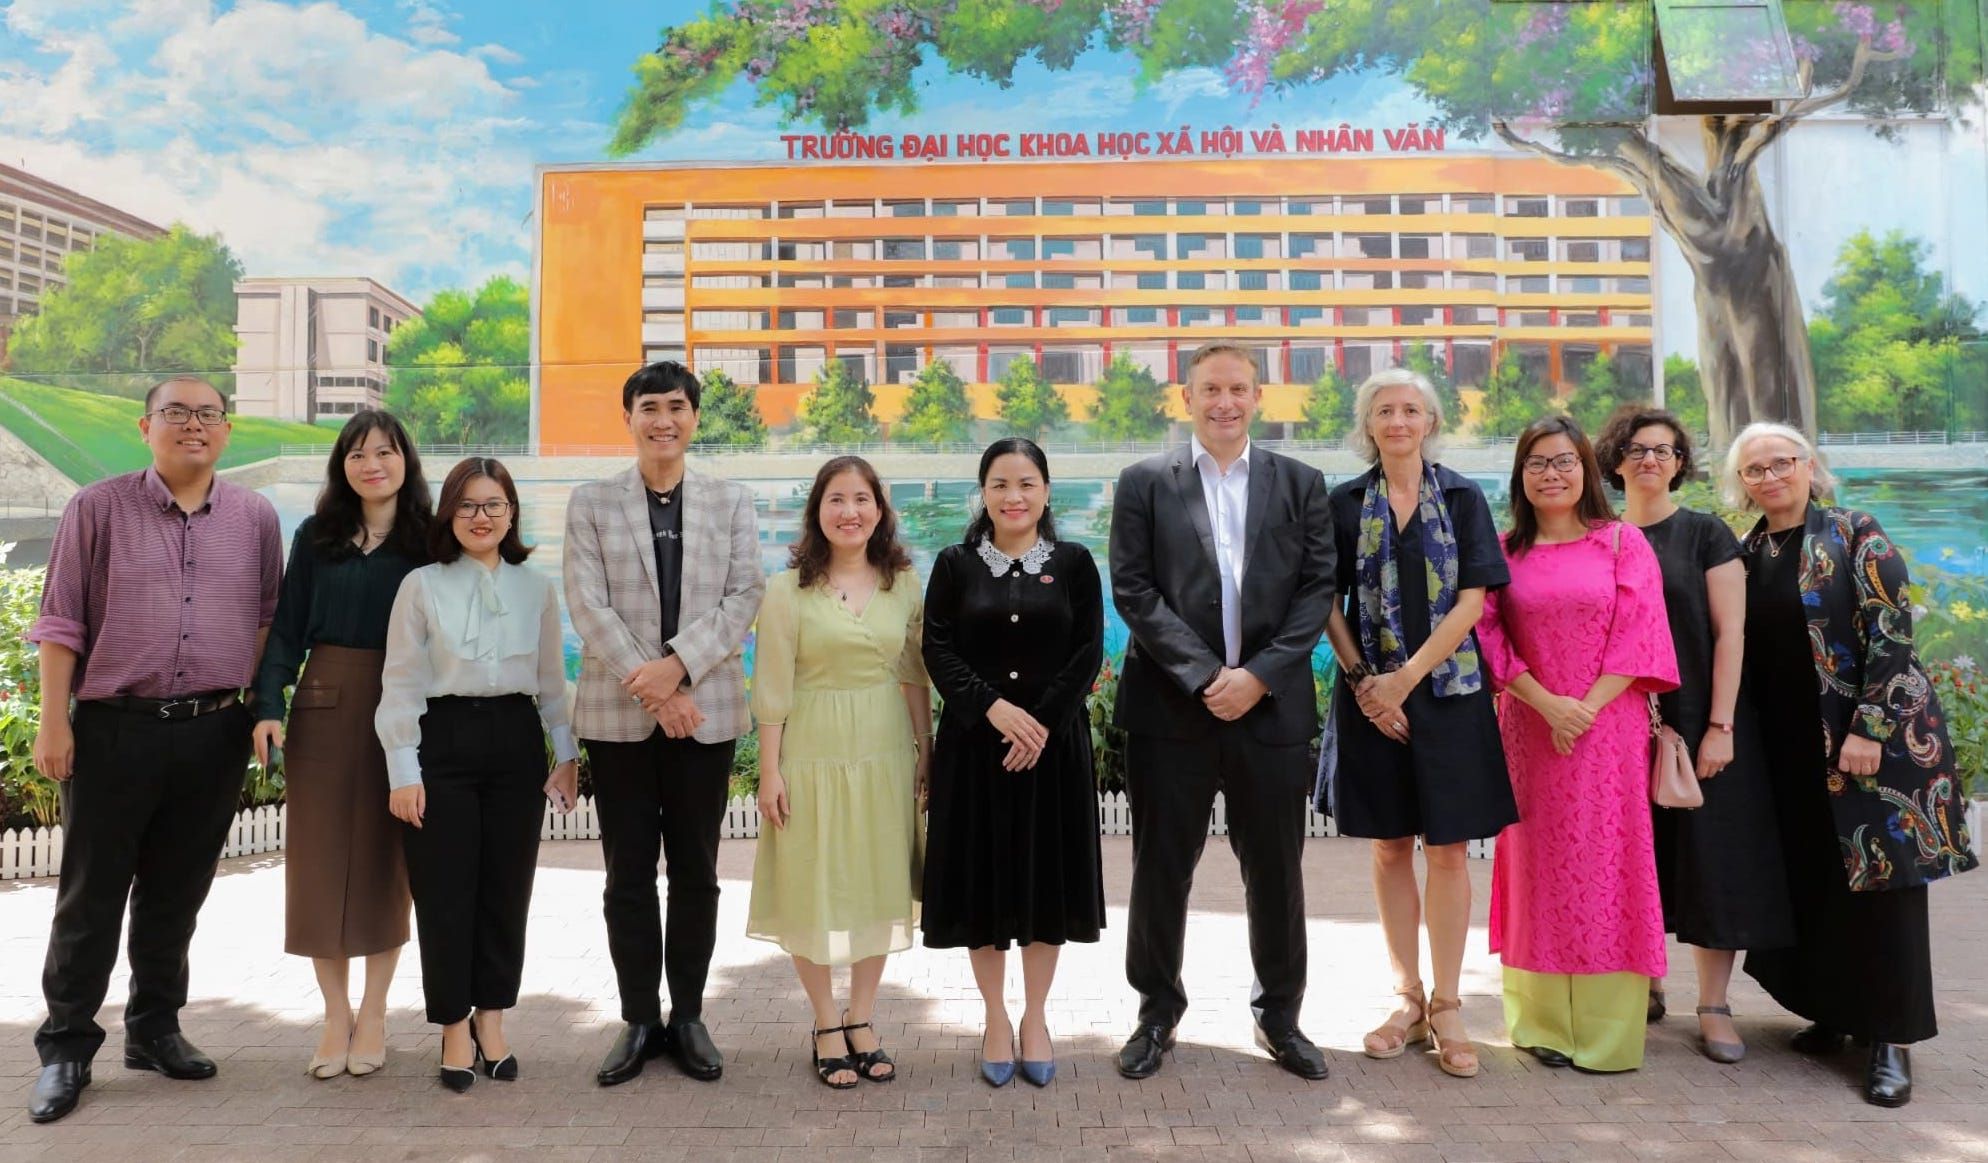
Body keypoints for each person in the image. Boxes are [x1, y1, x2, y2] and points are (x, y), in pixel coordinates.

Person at [25, 376, 283, 1124]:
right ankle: (68, 1044)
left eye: (208, 415)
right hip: (113, 727)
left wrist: (261, 710)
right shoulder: (96, 508)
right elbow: (62, 620)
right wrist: (54, 721)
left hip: (214, 730)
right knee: (91, 894)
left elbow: (268, 621)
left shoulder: (256, 518)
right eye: (177, 413)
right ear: (146, 425)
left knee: (177, 892)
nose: (193, 426)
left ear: (226, 431)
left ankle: (154, 1028)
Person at [1726, 422, 1976, 1107]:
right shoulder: (1750, 549)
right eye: (1755, 469)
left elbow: (1893, 629)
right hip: (1792, 751)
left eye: (1782, 462)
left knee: (1883, 891)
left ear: (1810, 466)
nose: (1770, 476)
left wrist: (1869, 726)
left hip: (1874, 748)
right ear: (1741, 483)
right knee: (1820, 880)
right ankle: (1834, 1012)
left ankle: (1890, 1041)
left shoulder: (1853, 531)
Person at [1109, 341, 1335, 1082]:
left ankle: (1281, 1013)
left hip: (1269, 712)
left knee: (1276, 869)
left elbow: (1316, 591)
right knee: (1160, 866)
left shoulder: (1301, 483)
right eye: (1210, 388)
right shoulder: (1144, 482)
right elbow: (1134, 590)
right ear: (1187, 397)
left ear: (1257, 396)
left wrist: (1259, 677)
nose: (1224, 402)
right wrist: (1209, 675)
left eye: (1238, 388)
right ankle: (1155, 1011)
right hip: (1172, 709)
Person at [563, 362, 765, 1086]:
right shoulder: (591, 501)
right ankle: (638, 1017)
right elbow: (587, 605)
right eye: (649, 408)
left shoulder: (730, 500)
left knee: (697, 871)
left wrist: (678, 669)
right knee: (626, 875)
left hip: (703, 714)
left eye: (676, 408)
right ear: (629, 417)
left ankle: (687, 1015)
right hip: (620, 717)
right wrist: (656, 689)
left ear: (694, 418)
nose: (663, 421)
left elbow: (746, 594)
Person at [1317, 369, 1516, 1080]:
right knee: (1390, 848)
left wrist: (1406, 678)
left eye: (1409, 409)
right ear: (1367, 425)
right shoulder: (1342, 503)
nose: (1397, 420)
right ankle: (1405, 998)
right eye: (1383, 410)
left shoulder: (1462, 496)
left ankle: (1450, 1002)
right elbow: (1326, 601)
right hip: (1370, 695)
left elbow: (1471, 601)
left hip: (1448, 693)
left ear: (1429, 420)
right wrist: (1368, 684)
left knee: (1451, 851)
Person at [1475, 415, 1678, 1074]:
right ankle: (1538, 1022)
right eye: (1536, 462)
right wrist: (1547, 703)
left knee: (1606, 860)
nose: (1551, 473)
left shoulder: (1622, 544)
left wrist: (1583, 709)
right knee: (1536, 860)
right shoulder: (1503, 552)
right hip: (1529, 728)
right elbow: (1488, 637)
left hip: (1608, 730)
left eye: (1563, 461)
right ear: (1520, 476)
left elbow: (1640, 631)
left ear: (1587, 469)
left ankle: (1605, 1029)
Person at [375, 457, 579, 1092]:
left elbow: (551, 681)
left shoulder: (536, 587)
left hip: (515, 744)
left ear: (512, 512)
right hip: (444, 744)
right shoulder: (421, 585)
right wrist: (403, 770)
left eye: (492, 504)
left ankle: (493, 1018)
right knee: (444, 893)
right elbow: (401, 683)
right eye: (466, 505)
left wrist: (566, 756)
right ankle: (453, 1026)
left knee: (505, 890)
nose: (480, 517)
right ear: (449, 515)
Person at [1594, 406, 1790, 1064]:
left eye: (1665, 450)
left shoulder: (1705, 533)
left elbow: (1731, 633)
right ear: (1615, 461)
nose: (1651, 459)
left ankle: (1713, 1003)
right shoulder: (1597, 537)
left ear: (1681, 463)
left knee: (1713, 861)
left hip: (1704, 720)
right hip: (1620, 725)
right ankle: (1644, 984)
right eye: (1637, 449)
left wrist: (1720, 725)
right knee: (1634, 859)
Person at [251, 409, 432, 1079]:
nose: (371, 463)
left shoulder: (428, 541)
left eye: (385, 451)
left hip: (407, 708)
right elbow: (287, 627)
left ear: (405, 460)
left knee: (390, 860)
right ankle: (334, 1014)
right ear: (342, 465)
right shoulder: (316, 535)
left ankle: (377, 1010)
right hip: (324, 706)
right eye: (357, 453)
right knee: (320, 862)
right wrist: (268, 703)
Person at [921, 438, 1106, 1088]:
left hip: (1053, 751)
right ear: (984, 492)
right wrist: (994, 710)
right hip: (977, 748)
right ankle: (994, 1015)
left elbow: (1088, 650)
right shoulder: (954, 564)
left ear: (1047, 491)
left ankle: (1035, 1017)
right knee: (982, 880)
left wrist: (1041, 723)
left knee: (1045, 880)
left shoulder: (1077, 564)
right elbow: (937, 649)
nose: (1014, 496)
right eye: (1000, 483)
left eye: (1027, 483)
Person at [748, 456, 932, 1089]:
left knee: (879, 882)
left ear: (879, 509)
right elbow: (772, 684)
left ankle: (863, 1016)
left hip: (885, 751)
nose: (849, 511)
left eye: (861, 498)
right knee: (811, 883)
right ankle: (826, 1022)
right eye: (836, 499)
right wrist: (769, 771)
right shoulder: (786, 590)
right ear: (817, 511)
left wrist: (924, 750)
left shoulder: (904, 583)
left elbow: (913, 674)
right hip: (813, 753)